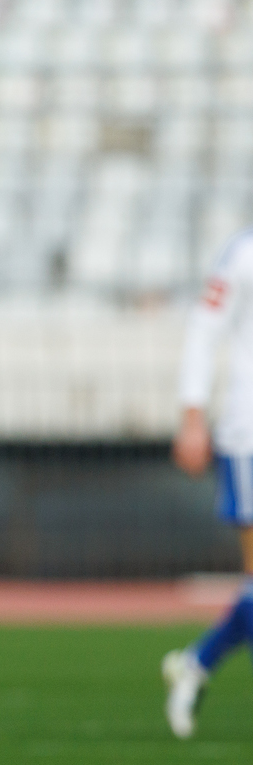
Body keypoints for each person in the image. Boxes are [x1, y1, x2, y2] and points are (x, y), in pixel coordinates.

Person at [163, 227, 253, 738]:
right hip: (250, 435)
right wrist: (193, 414)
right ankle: (196, 663)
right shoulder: (243, 254)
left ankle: (196, 663)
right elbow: (204, 328)